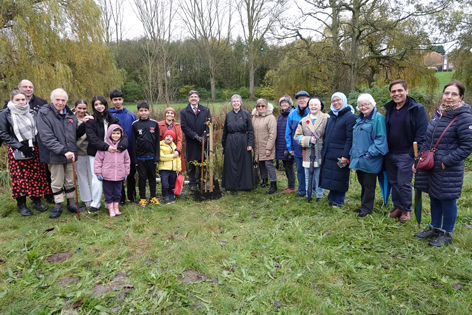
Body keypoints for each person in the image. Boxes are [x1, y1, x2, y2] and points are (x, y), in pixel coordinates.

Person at [413, 81, 472, 247]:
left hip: (448, 168)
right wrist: (420, 160)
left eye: (454, 94)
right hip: (432, 165)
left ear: (460, 97)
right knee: (434, 196)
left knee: (447, 199)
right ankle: (434, 227)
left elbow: (468, 146)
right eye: (447, 93)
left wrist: (447, 161)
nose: (449, 97)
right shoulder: (438, 113)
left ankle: (447, 233)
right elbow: (427, 139)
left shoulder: (464, 117)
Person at [37, 88, 86, 218]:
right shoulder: (44, 113)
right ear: (52, 99)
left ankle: (71, 203)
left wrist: (85, 125)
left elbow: (75, 134)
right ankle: (58, 204)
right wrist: (63, 151)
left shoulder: (70, 114)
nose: (60, 102)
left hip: (70, 154)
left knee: (70, 180)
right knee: (57, 181)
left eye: (63, 100)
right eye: (57, 99)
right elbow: (46, 137)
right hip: (54, 155)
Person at [0, 90, 51, 216]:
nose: (21, 102)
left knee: (36, 175)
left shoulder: (32, 113)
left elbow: (37, 130)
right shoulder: (5, 114)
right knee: (20, 178)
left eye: (23, 99)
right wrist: (19, 146)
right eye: (18, 100)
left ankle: (36, 201)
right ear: (11, 100)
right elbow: (3, 133)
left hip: (33, 148)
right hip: (17, 149)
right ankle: (21, 204)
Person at [384, 80, 428, 222]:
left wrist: (413, 154)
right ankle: (398, 206)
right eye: (393, 91)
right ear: (390, 94)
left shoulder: (417, 109)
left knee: (404, 182)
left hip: (406, 153)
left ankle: (407, 209)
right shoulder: (390, 109)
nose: (396, 94)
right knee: (393, 182)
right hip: (390, 153)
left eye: (399, 90)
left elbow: (422, 134)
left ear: (406, 91)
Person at [85, 95, 128, 214]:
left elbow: (123, 136)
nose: (99, 107)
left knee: (110, 178)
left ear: (105, 104)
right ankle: (95, 203)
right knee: (97, 179)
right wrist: (106, 147)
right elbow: (92, 138)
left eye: (101, 104)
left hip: (113, 154)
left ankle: (109, 202)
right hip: (96, 153)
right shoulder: (91, 120)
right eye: (96, 105)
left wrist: (120, 147)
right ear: (93, 107)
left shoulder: (113, 119)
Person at [349, 94, 389, 217]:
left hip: (370, 158)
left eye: (366, 104)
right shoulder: (359, 119)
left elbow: (381, 138)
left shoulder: (378, 118)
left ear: (372, 104)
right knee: (363, 183)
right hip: (359, 158)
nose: (364, 106)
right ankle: (363, 205)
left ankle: (367, 208)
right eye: (361, 105)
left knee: (369, 184)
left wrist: (369, 153)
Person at [320, 92, 357, 206]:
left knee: (340, 178)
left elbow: (350, 139)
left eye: (338, 100)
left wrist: (345, 155)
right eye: (333, 101)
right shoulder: (332, 116)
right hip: (329, 153)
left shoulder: (350, 117)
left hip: (341, 153)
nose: (336, 103)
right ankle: (331, 199)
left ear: (344, 100)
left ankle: (339, 201)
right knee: (331, 177)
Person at [294, 97, 329, 202]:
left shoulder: (326, 118)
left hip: (321, 150)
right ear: (308, 107)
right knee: (308, 174)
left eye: (316, 104)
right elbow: (297, 136)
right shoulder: (303, 121)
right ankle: (309, 193)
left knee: (319, 174)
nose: (313, 106)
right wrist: (308, 140)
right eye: (311, 105)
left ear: (320, 106)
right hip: (308, 150)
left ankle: (319, 194)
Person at [94, 124, 130, 217]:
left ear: (121, 134)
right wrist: (98, 172)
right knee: (108, 192)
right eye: (113, 133)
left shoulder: (122, 148)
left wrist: (126, 172)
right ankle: (110, 208)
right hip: (107, 175)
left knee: (118, 192)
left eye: (118, 133)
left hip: (119, 175)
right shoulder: (105, 147)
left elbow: (127, 161)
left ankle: (116, 207)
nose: (116, 135)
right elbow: (98, 160)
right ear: (109, 134)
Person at [108, 89, 137, 205]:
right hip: (115, 150)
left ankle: (132, 195)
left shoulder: (131, 115)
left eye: (119, 99)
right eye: (115, 100)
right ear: (111, 101)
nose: (117, 102)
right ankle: (121, 198)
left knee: (130, 174)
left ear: (122, 100)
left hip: (130, 150)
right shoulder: (109, 115)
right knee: (118, 175)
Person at [221, 94, 254, 193]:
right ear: (231, 103)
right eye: (234, 101)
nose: (236, 103)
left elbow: (250, 130)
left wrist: (250, 144)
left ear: (240, 103)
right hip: (230, 141)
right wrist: (224, 145)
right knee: (231, 163)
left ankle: (245, 185)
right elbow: (225, 131)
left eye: (237, 101)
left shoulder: (246, 114)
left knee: (244, 163)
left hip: (243, 140)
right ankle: (232, 186)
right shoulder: (228, 115)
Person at [180, 90, 212, 191]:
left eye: (195, 96)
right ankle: (192, 183)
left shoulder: (205, 110)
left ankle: (201, 182)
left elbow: (209, 125)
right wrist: (195, 136)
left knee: (203, 162)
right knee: (192, 164)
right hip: (191, 141)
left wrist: (203, 137)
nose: (193, 98)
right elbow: (184, 127)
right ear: (189, 99)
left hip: (203, 142)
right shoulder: (184, 112)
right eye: (191, 97)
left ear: (198, 99)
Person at [131, 101, 160, 207]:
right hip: (140, 157)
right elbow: (133, 143)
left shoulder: (154, 124)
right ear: (138, 112)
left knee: (152, 177)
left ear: (149, 111)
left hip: (152, 156)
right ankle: (142, 198)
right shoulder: (135, 125)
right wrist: (134, 159)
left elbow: (157, 142)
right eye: (141, 111)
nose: (144, 113)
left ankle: (153, 197)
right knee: (142, 178)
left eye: (145, 111)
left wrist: (157, 156)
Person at [285, 90, 310, 197]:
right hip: (297, 148)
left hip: (310, 148)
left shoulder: (313, 112)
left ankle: (311, 190)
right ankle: (302, 190)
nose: (302, 100)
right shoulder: (292, 114)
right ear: (296, 101)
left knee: (311, 170)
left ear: (308, 99)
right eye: (299, 98)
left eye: (304, 98)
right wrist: (289, 147)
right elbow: (288, 132)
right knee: (300, 170)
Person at [252, 98, 278, 194]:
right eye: (258, 106)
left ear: (266, 107)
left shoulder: (270, 117)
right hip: (258, 146)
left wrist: (269, 148)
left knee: (268, 164)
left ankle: (273, 184)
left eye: (262, 106)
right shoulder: (254, 117)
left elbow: (272, 134)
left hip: (267, 145)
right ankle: (264, 180)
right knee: (261, 163)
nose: (260, 108)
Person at [73, 99, 94, 208]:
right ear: (75, 107)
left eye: (84, 108)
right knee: (82, 177)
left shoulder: (91, 118)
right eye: (79, 108)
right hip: (78, 152)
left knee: (92, 176)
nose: (82, 110)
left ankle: (95, 198)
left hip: (91, 152)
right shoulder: (71, 119)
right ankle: (87, 200)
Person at [275, 95, 296, 194]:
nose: (284, 104)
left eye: (286, 102)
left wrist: (290, 145)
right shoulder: (281, 114)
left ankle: (292, 187)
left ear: (290, 104)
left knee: (289, 165)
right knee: (285, 164)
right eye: (282, 102)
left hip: (288, 144)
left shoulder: (292, 113)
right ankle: (289, 184)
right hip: (281, 143)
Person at [158, 107, 186, 173]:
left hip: (174, 150)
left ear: (174, 115)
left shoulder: (177, 125)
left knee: (176, 171)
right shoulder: (159, 125)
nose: (169, 114)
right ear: (165, 114)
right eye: (168, 113)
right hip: (164, 152)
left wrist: (178, 150)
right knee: (165, 171)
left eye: (172, 113)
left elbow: (179, 140)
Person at [158, 129, 182, 204]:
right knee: (165, 184)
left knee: (172, 183)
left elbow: (178, 158)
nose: (168, 138)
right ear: (164, 137)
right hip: (164, 169)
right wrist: (173, 156)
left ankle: (171, 195)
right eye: (167, 136)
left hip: (173, 169)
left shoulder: (174, 146)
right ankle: (165, 197)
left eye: (171, 137)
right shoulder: (160, 146)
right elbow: (161, 157)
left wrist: (178, 168)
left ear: (173, 139)